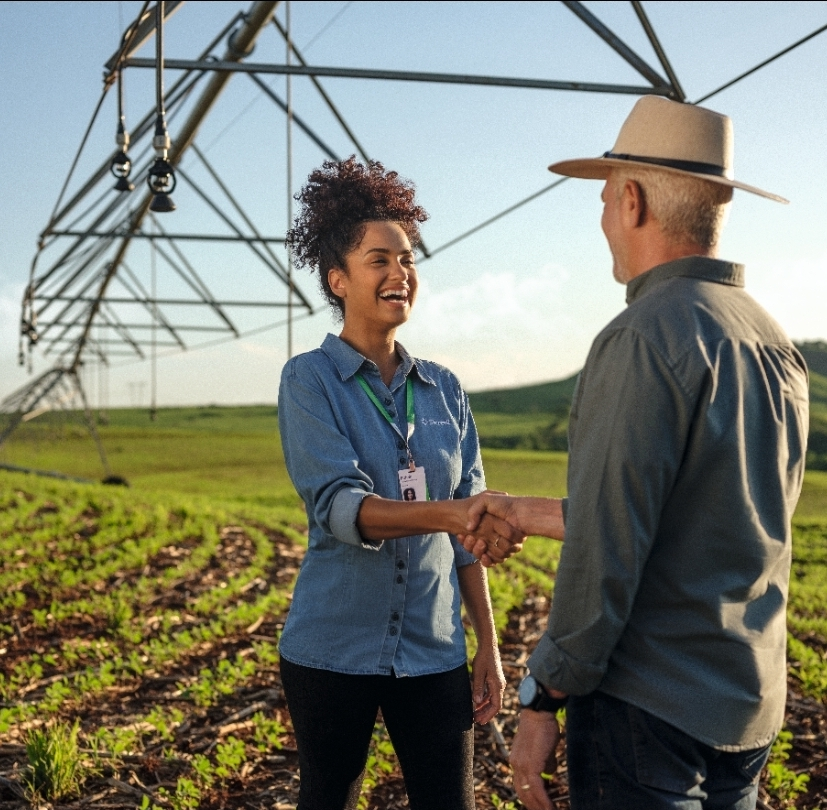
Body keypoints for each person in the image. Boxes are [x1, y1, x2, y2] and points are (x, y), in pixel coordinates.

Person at [461, 96, 809, 810]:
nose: (602, 221)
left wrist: (543, 696)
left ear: (631, 200)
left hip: (649, 711)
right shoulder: (774, 342)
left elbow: (609, 546)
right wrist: (524, 510)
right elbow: (701, 511)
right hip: (746, 705)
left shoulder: (643, 336)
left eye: (602, 198)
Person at [277, 157, 520, 810]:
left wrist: (488, 649)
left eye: (407, 260)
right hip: (331, 649)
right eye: (378, 260)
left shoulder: (443, 390)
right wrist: (453, 514)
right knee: (327, 799)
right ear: (338, 279)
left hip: (434, 649)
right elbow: (341, 508)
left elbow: (468, 539)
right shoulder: (309, 381)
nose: (399, 273)